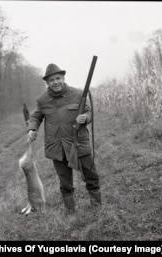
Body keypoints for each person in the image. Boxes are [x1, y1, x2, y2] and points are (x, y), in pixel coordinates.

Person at [27, 63, 101, 214]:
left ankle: (96, 207)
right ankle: (71, 210)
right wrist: (32, 128)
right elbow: (36, 116)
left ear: (63, 77)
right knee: (65, 181)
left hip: (78, 143)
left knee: (91, 175)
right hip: (57, 147)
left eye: (58, 78)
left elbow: (89, 112)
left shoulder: (78, 94)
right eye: (51, 80)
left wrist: (85, 118)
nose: (55, 82)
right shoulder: (42, 100)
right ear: (47, 83)